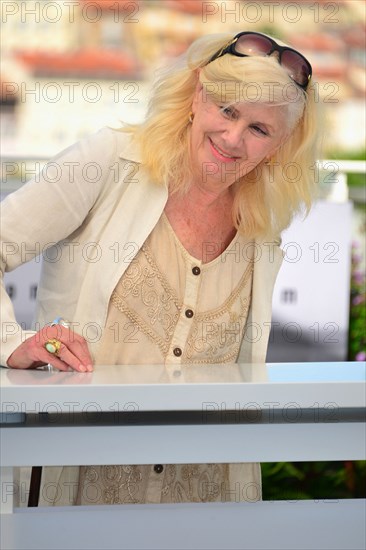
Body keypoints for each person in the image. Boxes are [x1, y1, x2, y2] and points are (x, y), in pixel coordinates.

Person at [0, 31, 319, 506]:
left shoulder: (263, 225)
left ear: (281, 143)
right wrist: (11, 344)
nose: (232, 139)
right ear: (196, 94)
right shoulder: (109, 161)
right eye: (227, 110)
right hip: (80, 493)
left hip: (207, 507)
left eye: (259, 129)